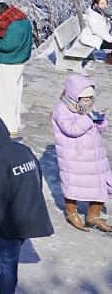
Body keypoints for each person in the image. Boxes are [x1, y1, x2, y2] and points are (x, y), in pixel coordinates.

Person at [0, 114, 54, 294]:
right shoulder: (23, 149)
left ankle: (6, 290)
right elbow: (37, 178)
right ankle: (1, 286)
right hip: (30, 213)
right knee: (11, 259)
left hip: (11, 221)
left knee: (8, 262)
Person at [52, 73, 112, 232]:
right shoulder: (61, 109)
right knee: (73, 184)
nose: (88, 102)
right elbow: (71, 129)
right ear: (74, 96)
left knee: (100, 183)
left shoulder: (86, 107)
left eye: (91, 99)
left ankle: (94, 216)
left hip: (94, 155)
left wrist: (100, 120)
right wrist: (89, 118)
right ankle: (72, 214)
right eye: (85, 99)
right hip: (74, 156)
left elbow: (101, 129)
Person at [0, 3, 32, 137]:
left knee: (5, 97)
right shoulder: (22, 20)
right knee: (14, 94)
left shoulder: (14, 26)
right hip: (18, 62)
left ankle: (7, 126)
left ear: (0, 14)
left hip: (9, 64)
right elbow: (8, 30)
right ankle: (14, 124)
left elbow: (7, 45)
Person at [76, 0, 112, 65]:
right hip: (94, 38)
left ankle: (109, 58)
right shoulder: (92, 15)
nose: (105, 5)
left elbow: (103, 22)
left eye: (106, 3)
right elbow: (98, 31)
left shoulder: (98, 11)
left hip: (99, 36)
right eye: (102, 3)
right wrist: (110, 39)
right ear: (96, 4)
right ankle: (109, 60)